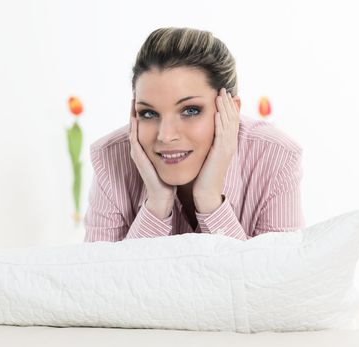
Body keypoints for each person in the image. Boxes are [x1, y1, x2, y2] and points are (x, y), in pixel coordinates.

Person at [83, 27, 305, 242]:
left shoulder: (276, 157)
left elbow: (275, 279)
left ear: (231, 111)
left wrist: (210, 201)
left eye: (190, 110)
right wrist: (157, 205)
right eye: (149, 113)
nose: (166, 136)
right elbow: (101, 278)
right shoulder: (111, 159)